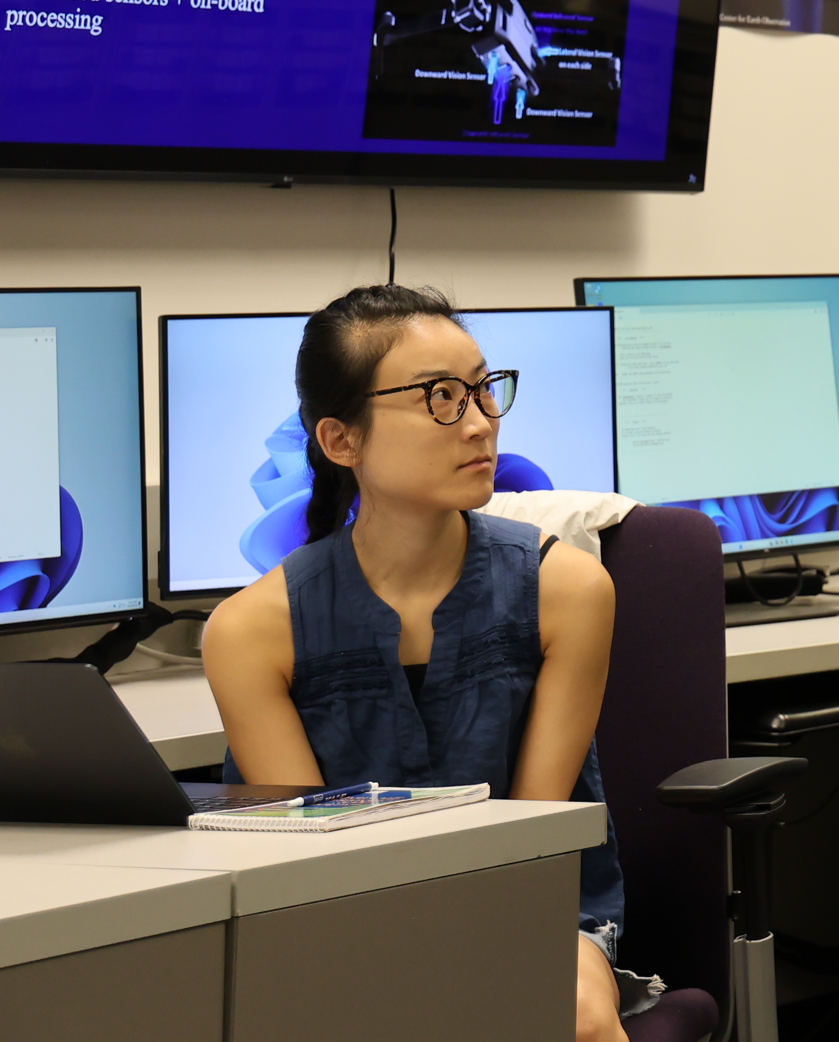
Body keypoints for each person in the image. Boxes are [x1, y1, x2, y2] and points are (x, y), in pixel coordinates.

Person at [202, 285, 639, 1042]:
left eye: (482, 390)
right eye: (440, 397)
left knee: (571, 1013)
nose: (478, 423)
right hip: (346, 919)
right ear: (342, 441)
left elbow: (534, 844)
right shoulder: (250, 631)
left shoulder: (568, 589)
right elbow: (306, 871)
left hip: (535, 903)